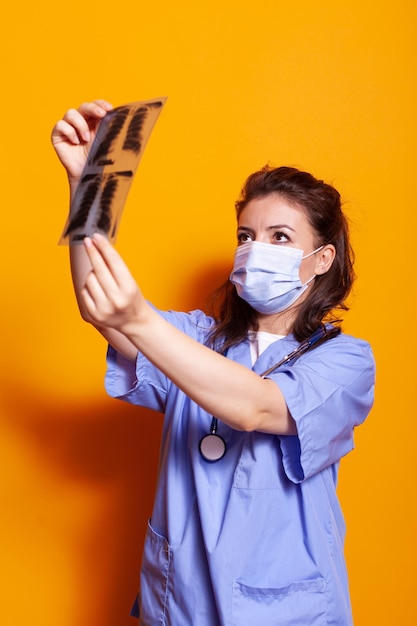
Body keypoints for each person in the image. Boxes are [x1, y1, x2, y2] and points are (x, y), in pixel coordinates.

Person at [51, 100, 375, 626]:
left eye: (280, 238)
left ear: (322, 260)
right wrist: (89, 185)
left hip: (284, 612)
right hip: (181, 602)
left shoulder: (346, 362)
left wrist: (140, 319)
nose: (255, 249)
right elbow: (98, 305)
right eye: (246, 236)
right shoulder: (199, 339)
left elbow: (256, 407)